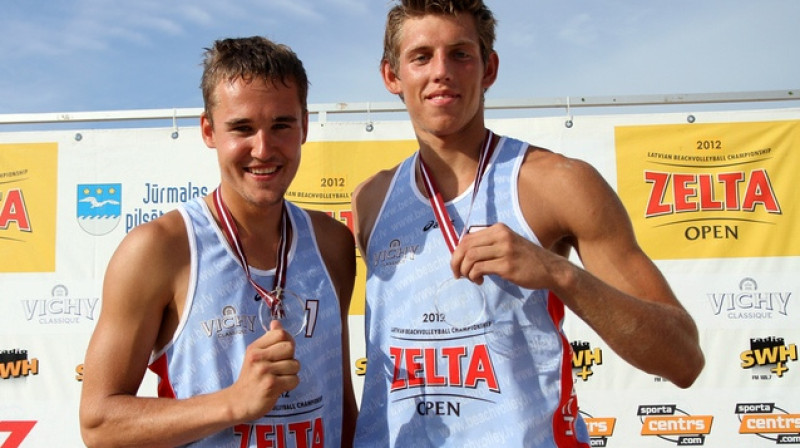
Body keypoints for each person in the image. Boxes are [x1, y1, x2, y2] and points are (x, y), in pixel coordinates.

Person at [351, 1, 705, 446]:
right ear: (392, 77)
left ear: (489, 68)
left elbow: (683, 358)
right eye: (421, 57)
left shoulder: (557, 183)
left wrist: (559, 274)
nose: (441, 71)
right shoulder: (372, 199)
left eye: (460, 54)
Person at [79, 36, 357, 447]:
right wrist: (233, 403)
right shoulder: (160, 248)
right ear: (209, 130)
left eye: (281, 125)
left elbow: (341, 403)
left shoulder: (332, 242)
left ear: (304, 126)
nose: (263, 149)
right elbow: (99, 423)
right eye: (242, 128)